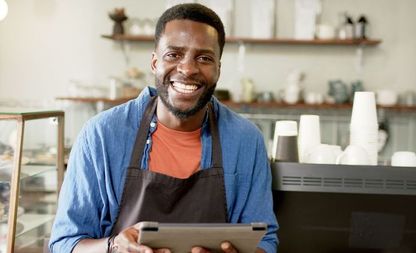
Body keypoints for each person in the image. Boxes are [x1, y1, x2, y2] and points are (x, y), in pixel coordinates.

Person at [49, 3, 278, 253]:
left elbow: (265, 242)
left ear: (218, 69)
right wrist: (113, 247)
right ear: (154, 62)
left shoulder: (246, 141)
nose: (188, 69)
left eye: (204, 58)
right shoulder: (101, 135)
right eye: (174, 54)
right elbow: (65, 244)